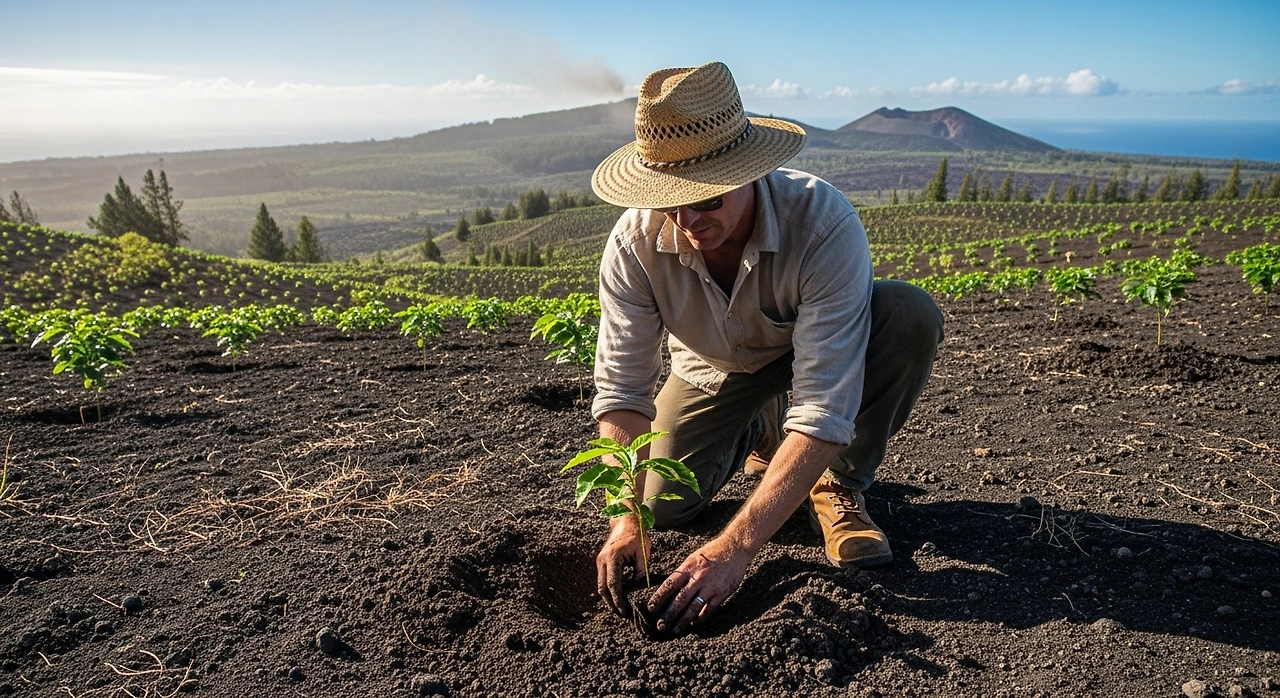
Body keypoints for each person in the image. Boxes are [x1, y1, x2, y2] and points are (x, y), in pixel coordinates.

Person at [588, 61, 944, 635]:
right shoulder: (633, 244)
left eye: (705, 201)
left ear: (748, 173)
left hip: (814, 358)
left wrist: (736, 548)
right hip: (713, 367)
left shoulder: (822, 224)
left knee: (908, 313)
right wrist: (624, 519)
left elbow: (824, 405)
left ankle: (839, 485)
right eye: (668, 203)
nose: (686, 221)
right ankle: (758, 432)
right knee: (666, 507)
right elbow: (623, 391)